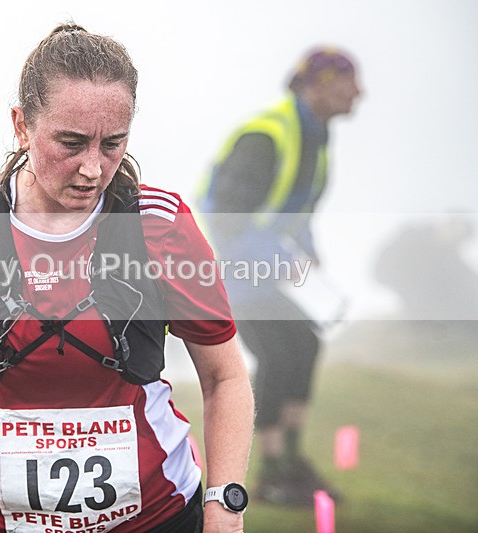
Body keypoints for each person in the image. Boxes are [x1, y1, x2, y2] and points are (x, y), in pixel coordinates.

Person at [0, 24, 254, 533]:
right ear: (22, 126)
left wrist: (223, 512)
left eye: (113, 143)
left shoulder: (160, 224)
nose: (94, 169)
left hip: (156, 515)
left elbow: (225, 377)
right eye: (71, 143)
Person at [198, 48, 362, 506]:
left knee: (303, 345)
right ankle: (272, 474)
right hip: (228, 271)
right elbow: (226, 219)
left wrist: (309, 252)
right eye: (351, 80)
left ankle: (288, 464)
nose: (361, 92)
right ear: (319, 83)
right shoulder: (267, 136)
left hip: (263, 273)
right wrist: (276, 256)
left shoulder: (315, 138)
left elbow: (294, 208)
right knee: (277, 353)